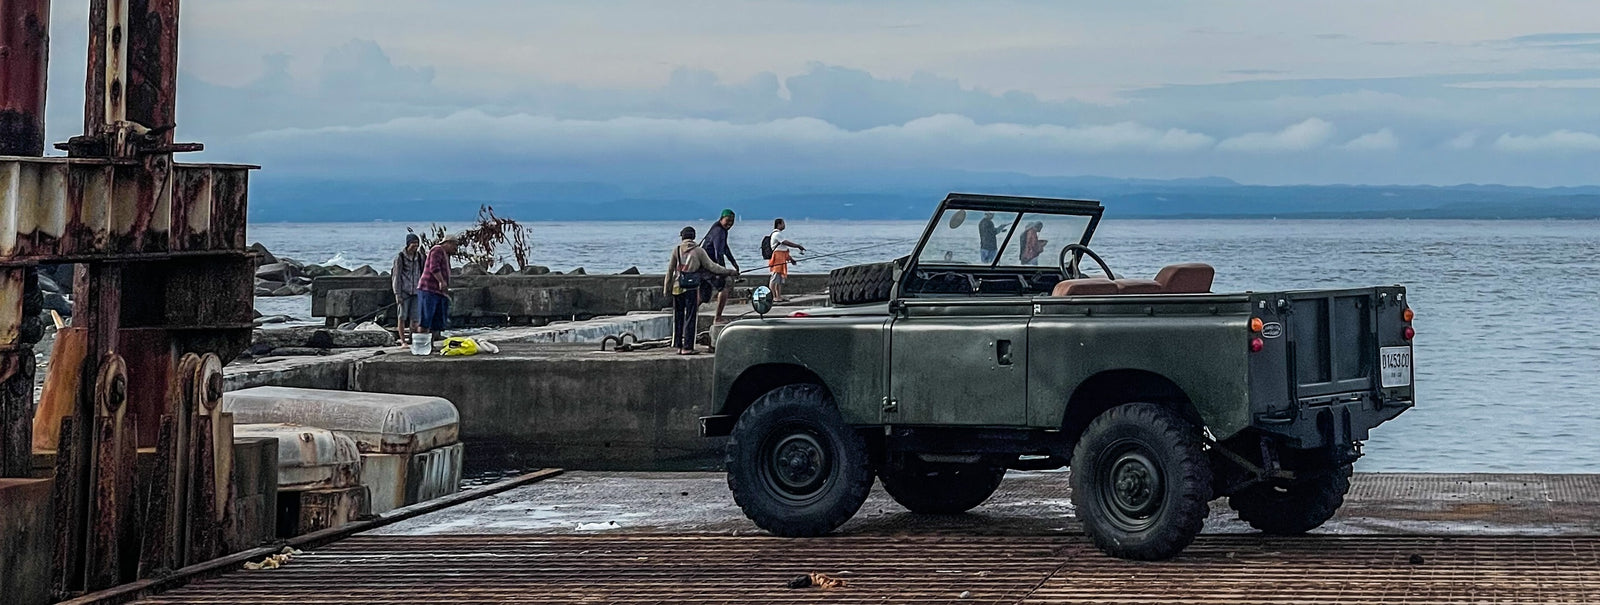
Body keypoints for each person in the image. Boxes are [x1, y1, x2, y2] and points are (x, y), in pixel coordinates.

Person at [666, 226, 735, 355]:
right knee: (691, 317)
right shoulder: (699, 251)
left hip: (677, 287)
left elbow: (670, 271)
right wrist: (729, 271)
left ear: (682, 236)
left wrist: (666, 288)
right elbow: (712, 267)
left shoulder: (676, 250)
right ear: (693, 237)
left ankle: (678, 346)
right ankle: (688, 347)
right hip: (690, 287)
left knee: (678, 316)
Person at [416, 235, 460, 343]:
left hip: (439, 292)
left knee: (437, 321)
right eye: (455, 245)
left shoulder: (446, 254)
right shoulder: (437, 250)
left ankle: (432, 343)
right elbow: (434, 267)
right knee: (426, 320)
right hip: (428, 289)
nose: (456, 249)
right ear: (448, 243)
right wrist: (441, 281)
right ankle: (422, 344)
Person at [700, 209, 741, 323]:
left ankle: (689, 313)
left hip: (705, 266)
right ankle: (718, 317)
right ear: (721, 219)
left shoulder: (722, 231)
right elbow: (718, 252)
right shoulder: (718, 231)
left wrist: (734, 262)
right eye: (728, 221)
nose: (730, 224)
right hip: (709, 265)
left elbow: (725, 248)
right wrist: (724, 271)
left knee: (704, 294)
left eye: (732, 222)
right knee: (724, 287)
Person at [391, 233, 425, 345]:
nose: (415, 245)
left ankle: (412, 339)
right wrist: (397, 294)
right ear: (408, 244)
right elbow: (396, 276)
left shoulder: (420, 257)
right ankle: (402, 341)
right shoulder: (400, 257)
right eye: (413, 243)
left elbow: (423, 273)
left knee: (415, 318)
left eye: (417, 243)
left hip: (416, 291)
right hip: (404, 291)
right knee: (402, 317)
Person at [766, 218, 806, 302]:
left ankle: (779, 296)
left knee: (779, 280)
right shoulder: (776, 234)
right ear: (779, 224)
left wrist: (791, 259)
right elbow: (786, 243)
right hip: (777, 258)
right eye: (783, 223)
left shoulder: (779, 234)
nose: (784, 225)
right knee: (774, 278)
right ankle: (773, 296)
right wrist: (798, 246)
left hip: (782, 258)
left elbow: (783, 249)